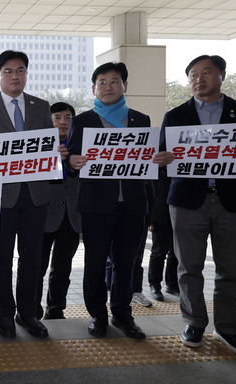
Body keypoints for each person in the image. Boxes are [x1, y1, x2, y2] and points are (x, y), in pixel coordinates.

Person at [160, 55, 236, 358]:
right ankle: (194, 323)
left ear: (222, 75)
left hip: (232, 201)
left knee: (231, 269)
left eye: (206, 72)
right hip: (187, 202)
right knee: (188, 267)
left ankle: (228, 328)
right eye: (193, 74)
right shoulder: (175, 116)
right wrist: (162, 159)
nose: (198, 79)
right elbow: (161, 156)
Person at [67, 62, 163, 339]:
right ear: (93, 88)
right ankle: (98, 315)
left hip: (133, 205)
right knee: (95, 263)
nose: (108, 86)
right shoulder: (82, 121)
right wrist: (71, 161)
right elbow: (69, 158)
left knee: (126, 263)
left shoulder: (140, 120)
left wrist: (157, 160)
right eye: (102, 82)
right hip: (96, 205)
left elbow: (147, 160)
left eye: (114, 81)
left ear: (125, 86)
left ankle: (123, 315)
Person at [0, 50, 54, 339]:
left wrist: (56, 152)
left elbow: (48, 144)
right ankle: (5, 312)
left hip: (36, 195)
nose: (15, 76)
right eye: (8, 71)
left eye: (20, 70)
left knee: (32, 257)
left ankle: (28, 313)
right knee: (1, 258)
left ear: (26, 74)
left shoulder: (41, 107)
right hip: (1, 196)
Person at [36, 102, 80, 320]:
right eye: (57, 117)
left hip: (72, 216)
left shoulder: (81, 145)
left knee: (63, 267)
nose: (63, 122)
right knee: (37, 266)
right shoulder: (37, 146)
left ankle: (55, 308)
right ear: (49, 120)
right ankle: (31, 308)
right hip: (43, 214)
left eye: (68, 117)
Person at [147, 166, 179, 301]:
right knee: (159, 251)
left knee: (176, 251)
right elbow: (151, 191)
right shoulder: (156, 167)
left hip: (181, 209)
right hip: (160, 212)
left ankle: (172, 284)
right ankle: (154, 285)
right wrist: (151, 217)